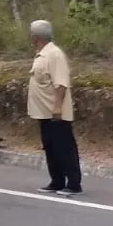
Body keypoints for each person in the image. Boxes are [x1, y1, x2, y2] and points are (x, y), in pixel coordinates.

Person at [28, 20, 81, 195]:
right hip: (43, 112)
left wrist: (57, 107)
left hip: (55, 112)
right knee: (50, 147)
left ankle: (73, 183)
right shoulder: (41, 55)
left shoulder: (54, 54)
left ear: (36, 37)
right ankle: (56, 181)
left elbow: (61, 83)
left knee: (64, 147)